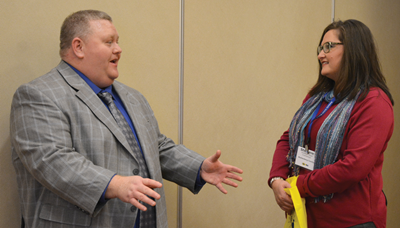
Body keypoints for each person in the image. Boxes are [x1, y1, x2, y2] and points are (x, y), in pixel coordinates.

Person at [10, 10, 243, 228]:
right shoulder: (39, 95)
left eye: (118, 41)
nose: (118, 49)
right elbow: (51, 161)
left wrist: (197, 167)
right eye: (109, 41)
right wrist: (114, 184)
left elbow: (157, 147)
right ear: (78, 47)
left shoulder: (132, 97)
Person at [269, 19, 393, 228]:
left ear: (354, 50)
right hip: (308, 216)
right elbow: (288, 138)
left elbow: (353, 168)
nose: (320, 55)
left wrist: (298, 184)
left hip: (352, 220)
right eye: (320, 48)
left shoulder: (374, 102)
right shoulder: (317, 96)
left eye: (328, 47)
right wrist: (277, 180)